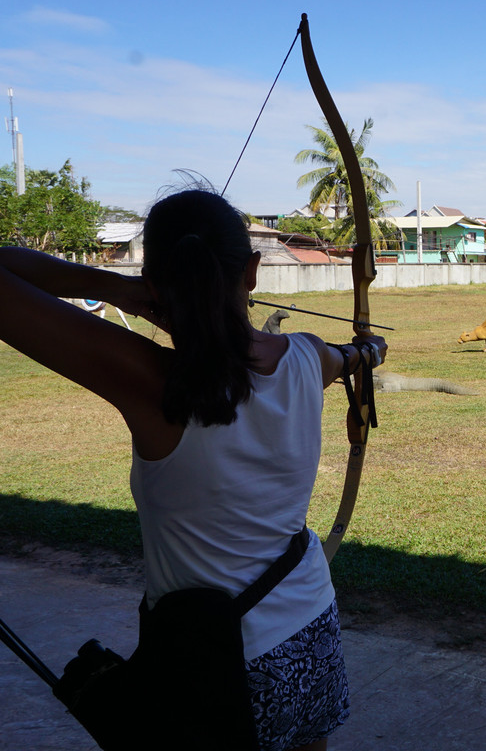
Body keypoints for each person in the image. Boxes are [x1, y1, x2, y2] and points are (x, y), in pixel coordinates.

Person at [0, 188, 386, 751]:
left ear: (155, 284)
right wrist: (368, 351)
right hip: (311, 631)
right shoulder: (308, 356)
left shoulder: (151, 382)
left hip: (214, 662)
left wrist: (121, 290)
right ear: (251, 272)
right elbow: (347, 356)